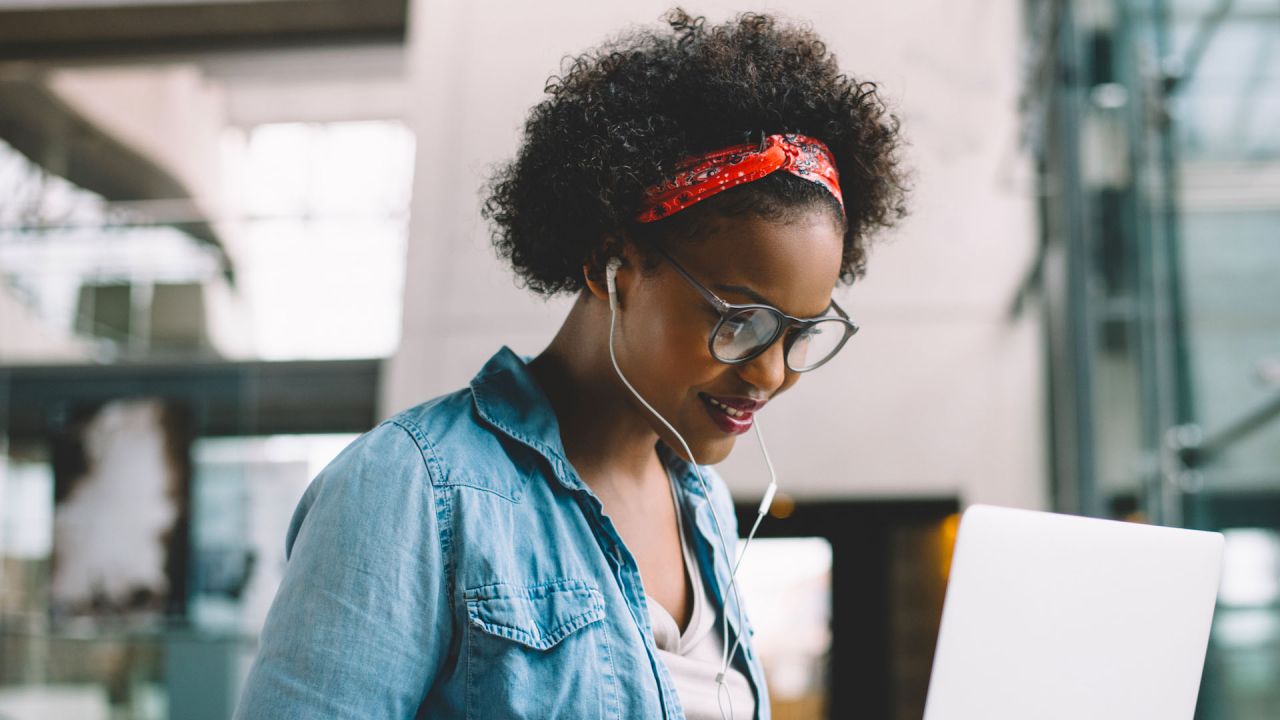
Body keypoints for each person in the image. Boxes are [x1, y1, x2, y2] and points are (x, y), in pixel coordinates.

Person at [234, 9, 905, 720]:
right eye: (740, 322)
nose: (770, 375)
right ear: (610, 264)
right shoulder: (411, 493)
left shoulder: (701, 505)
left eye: (801, 333)